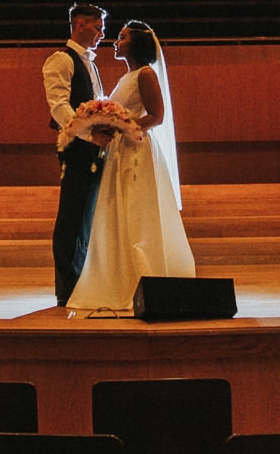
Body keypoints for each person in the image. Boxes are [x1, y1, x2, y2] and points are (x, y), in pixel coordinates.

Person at [66, 19, 195, 313]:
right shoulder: (128, 77)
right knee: (117, 212)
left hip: (136, 150)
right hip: (120, 151)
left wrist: (122, 126)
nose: (115, 41)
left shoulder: (145, 74)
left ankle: (144, 277)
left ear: (136, 43)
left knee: (136, 211)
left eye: (121, 37)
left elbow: (156, 116)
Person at [43, 2, 112, 308]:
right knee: (71, 215)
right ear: (80, 24)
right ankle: (66, 287)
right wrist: (85, 134)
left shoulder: (92, 65)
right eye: (98, 27)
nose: (102, 34)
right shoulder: (61, 60)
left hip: (94, 147)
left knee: (86, 215)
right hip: (77, 146)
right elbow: (59, 106)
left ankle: (81, 280)